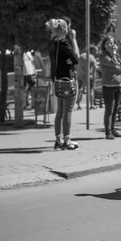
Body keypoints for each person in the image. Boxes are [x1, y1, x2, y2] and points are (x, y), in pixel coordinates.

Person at [46, 18, 80, 150]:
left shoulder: (52, 43)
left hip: (57, 79)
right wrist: (74, 39)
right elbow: (76, 59)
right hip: (67, 80)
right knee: (68, 111)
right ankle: (67, 141)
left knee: (60, 111)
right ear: (65, 29)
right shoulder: (64, 43)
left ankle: (58, 140)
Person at [99, 35, 121, 140]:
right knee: (109, 110)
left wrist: (115, 55)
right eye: (108, 43)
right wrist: (114, 55)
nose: (111, 45)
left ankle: (113, 129)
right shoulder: (103, 55)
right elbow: (114, 65)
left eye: (112, 42)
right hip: (108, 86)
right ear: (104, 45)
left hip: (118, 85)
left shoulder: (115, 55)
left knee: (115, 109)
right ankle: (108, 131)